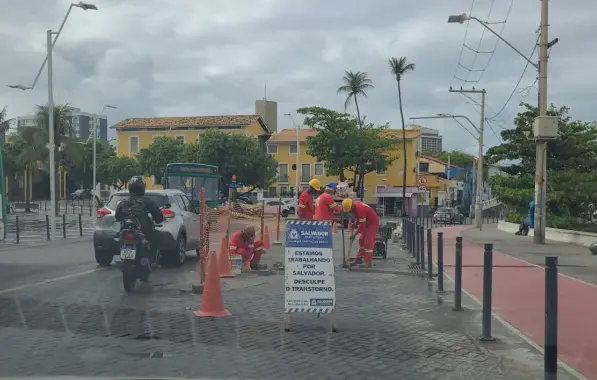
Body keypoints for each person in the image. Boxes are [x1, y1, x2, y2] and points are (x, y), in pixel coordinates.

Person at [115, 176, 164, 263]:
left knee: (117, 238)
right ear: (143, 188)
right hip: (144, 231)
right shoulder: (147, 201)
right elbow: (158, 217)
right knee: (159, 237)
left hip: (124, 231)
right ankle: (151, 260)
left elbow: (117, 217)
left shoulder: (124, 201)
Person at [342, 198, 380, 267]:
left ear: (352, 207)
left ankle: (368, 262)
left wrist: (354, 234)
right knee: (361, 240)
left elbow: (362, 226)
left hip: (372, 223)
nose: (350, 212)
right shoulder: (355, 207)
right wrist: (355, 224)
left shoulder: (360, 209)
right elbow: (360, 220)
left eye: (350, 210)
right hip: (367, 222)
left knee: (368, 242)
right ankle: (359, 258)